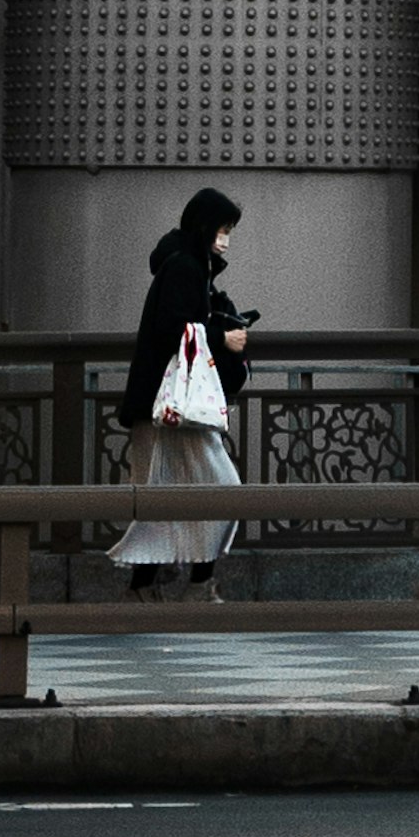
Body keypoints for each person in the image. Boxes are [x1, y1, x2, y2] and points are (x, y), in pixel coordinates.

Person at [119, 186, 249, 585]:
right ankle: (196, 585)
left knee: (164, 497)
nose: (226, 239)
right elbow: (172, 327)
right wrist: (221, 336)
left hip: (166, 404)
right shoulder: (185, 267)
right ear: (206, 227)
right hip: (171, 405)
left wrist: (223, 321)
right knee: (217, 489)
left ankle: (151, 588)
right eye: (223, 229)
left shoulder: (191, 265)